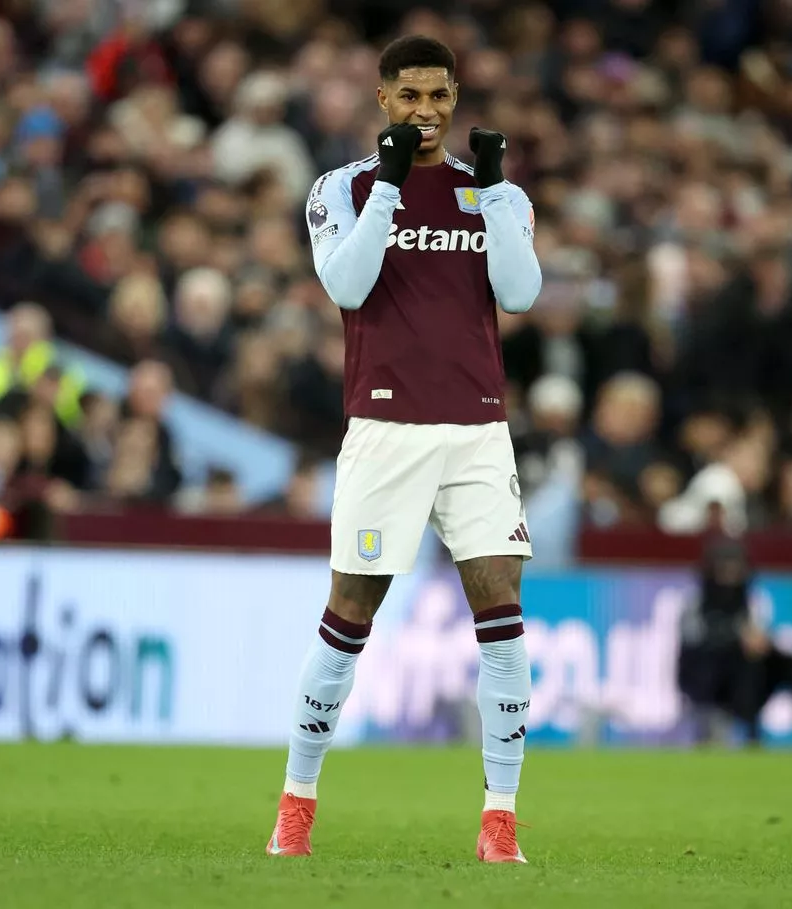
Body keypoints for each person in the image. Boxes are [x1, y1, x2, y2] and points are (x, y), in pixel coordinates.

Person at [266, 35, 541, 863]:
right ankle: (297, 804)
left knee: (503, 620)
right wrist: (388, 185)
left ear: (457, 98)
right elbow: (346, 286)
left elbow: (521, 295)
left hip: (478, 431)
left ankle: (501, 822)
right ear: (383, 97)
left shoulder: (494, 191)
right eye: (411, 96)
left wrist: (492, 192)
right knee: (349, 616)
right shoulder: (341, 188)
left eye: (441, 96)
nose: (427, 112)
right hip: (385, 431)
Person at [677, 534, 792, 747]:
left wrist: (763, 645)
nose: (731, 576)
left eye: (735, 570)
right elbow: (695, 645)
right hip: (708, 681)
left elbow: (757, 634)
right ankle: (752, 733)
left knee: (786, 661)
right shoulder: (695, 603)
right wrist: (737, 639)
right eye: (725, 570)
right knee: (744, 659)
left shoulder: (749, 601)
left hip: (747, 679)